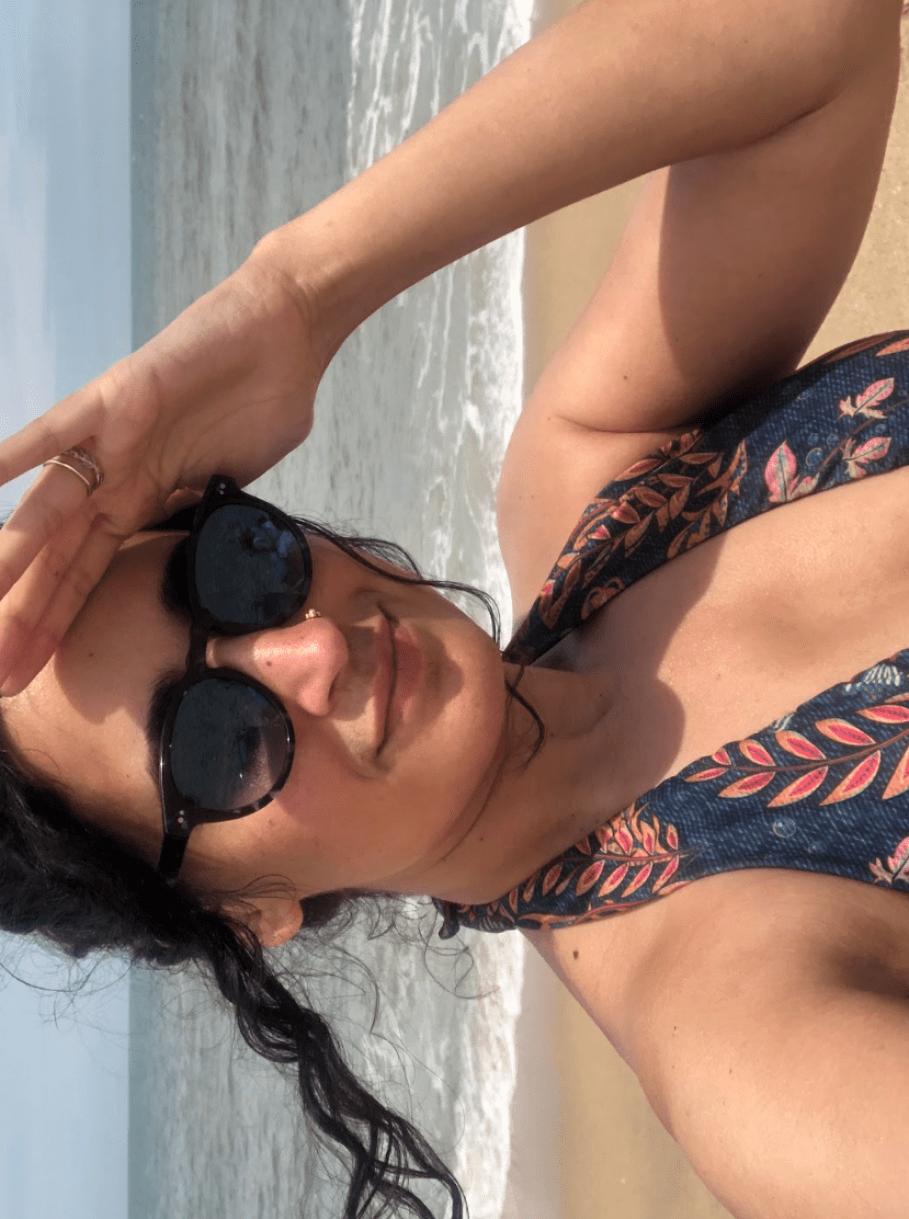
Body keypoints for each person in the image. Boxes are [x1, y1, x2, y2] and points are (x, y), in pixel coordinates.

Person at [1, 0, 907, 1215]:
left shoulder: (609, 475)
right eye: (217, 744)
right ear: (249, 911)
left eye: (236, 564)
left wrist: (299, 293)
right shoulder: (746, 1026)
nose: (312, 646)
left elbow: (821, 37)